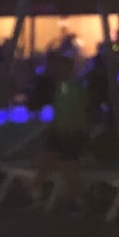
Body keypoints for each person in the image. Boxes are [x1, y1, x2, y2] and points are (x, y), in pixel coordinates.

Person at [34, 55, 89, 206]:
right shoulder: (65, 87)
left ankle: (72, 198)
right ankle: (38, 193)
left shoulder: (67, 88)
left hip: (69, 132)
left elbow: (71, 109)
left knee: (66, 166)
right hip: (63, 131)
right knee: (52, 163)